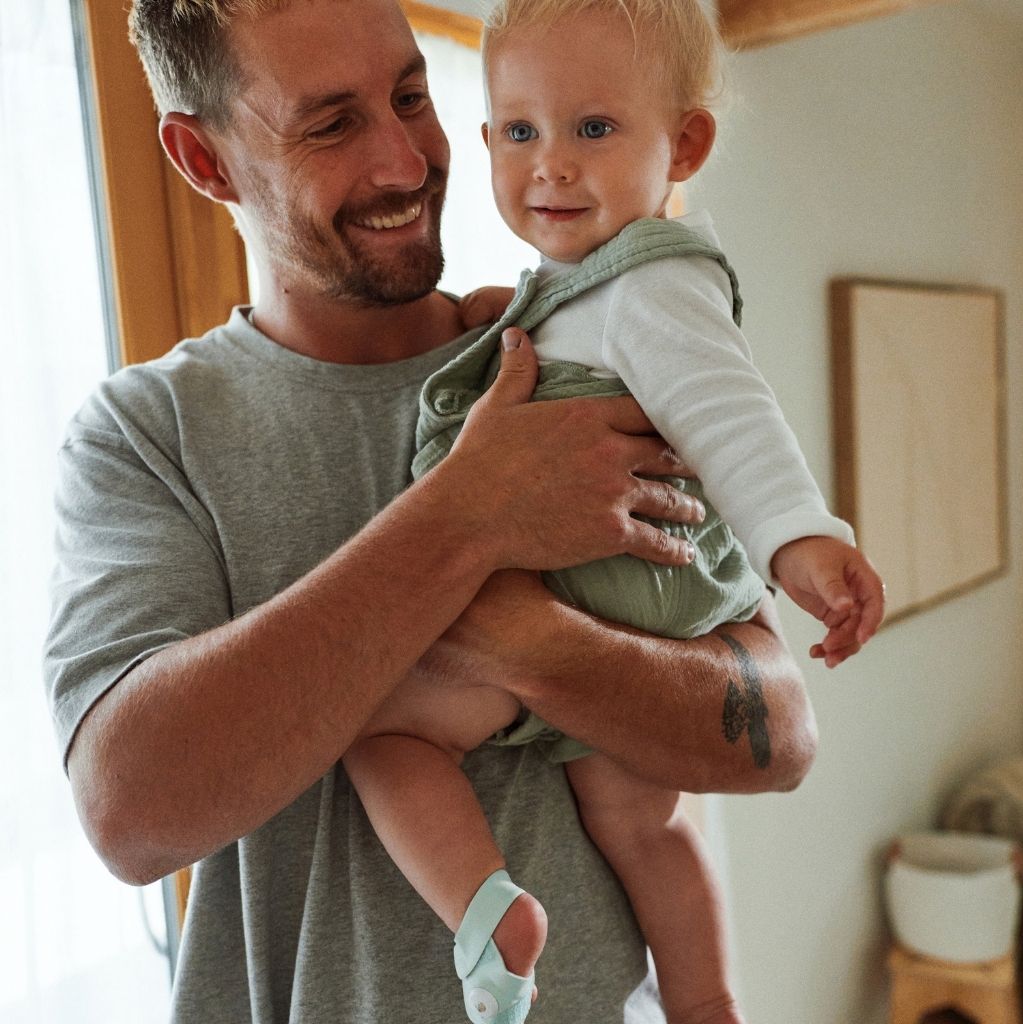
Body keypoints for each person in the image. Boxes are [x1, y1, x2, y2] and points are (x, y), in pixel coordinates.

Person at [43, 1, 820, 1023]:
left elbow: (776, 732)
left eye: (411, 96)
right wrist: (467, 517)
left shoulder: (575, 356)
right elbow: (132, 812)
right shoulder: (146, 436)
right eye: (331, 124)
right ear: (204, 159)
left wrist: (527, 644)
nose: (406, 162)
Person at [344, 1, 886, 1023]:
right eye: (520, 130)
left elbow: (731, 416)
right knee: (643, 826)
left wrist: (804, 544)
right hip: (622, 599)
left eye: (592, 128)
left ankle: (485, 910)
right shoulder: (576, 287)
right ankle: (706, 1003)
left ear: (683, 145)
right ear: (487, 139)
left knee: (385, 733)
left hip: (601, 578)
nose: (550, 164)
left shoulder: (654, 281)